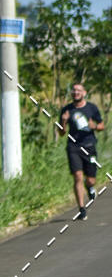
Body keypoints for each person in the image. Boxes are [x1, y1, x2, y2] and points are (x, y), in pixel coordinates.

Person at [58, 82, 104, 220]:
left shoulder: (91, 108)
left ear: (84, 93)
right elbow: (61, 133)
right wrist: (64, 121)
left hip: (89, 146)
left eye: (79, 90)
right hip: (73, 147)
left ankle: (89, 187)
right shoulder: (67, 110)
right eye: (74, 90)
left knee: (91, 180)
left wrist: (94, 126)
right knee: (77, 176)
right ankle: (82, 209)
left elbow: (101, 125)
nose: (76, 92)